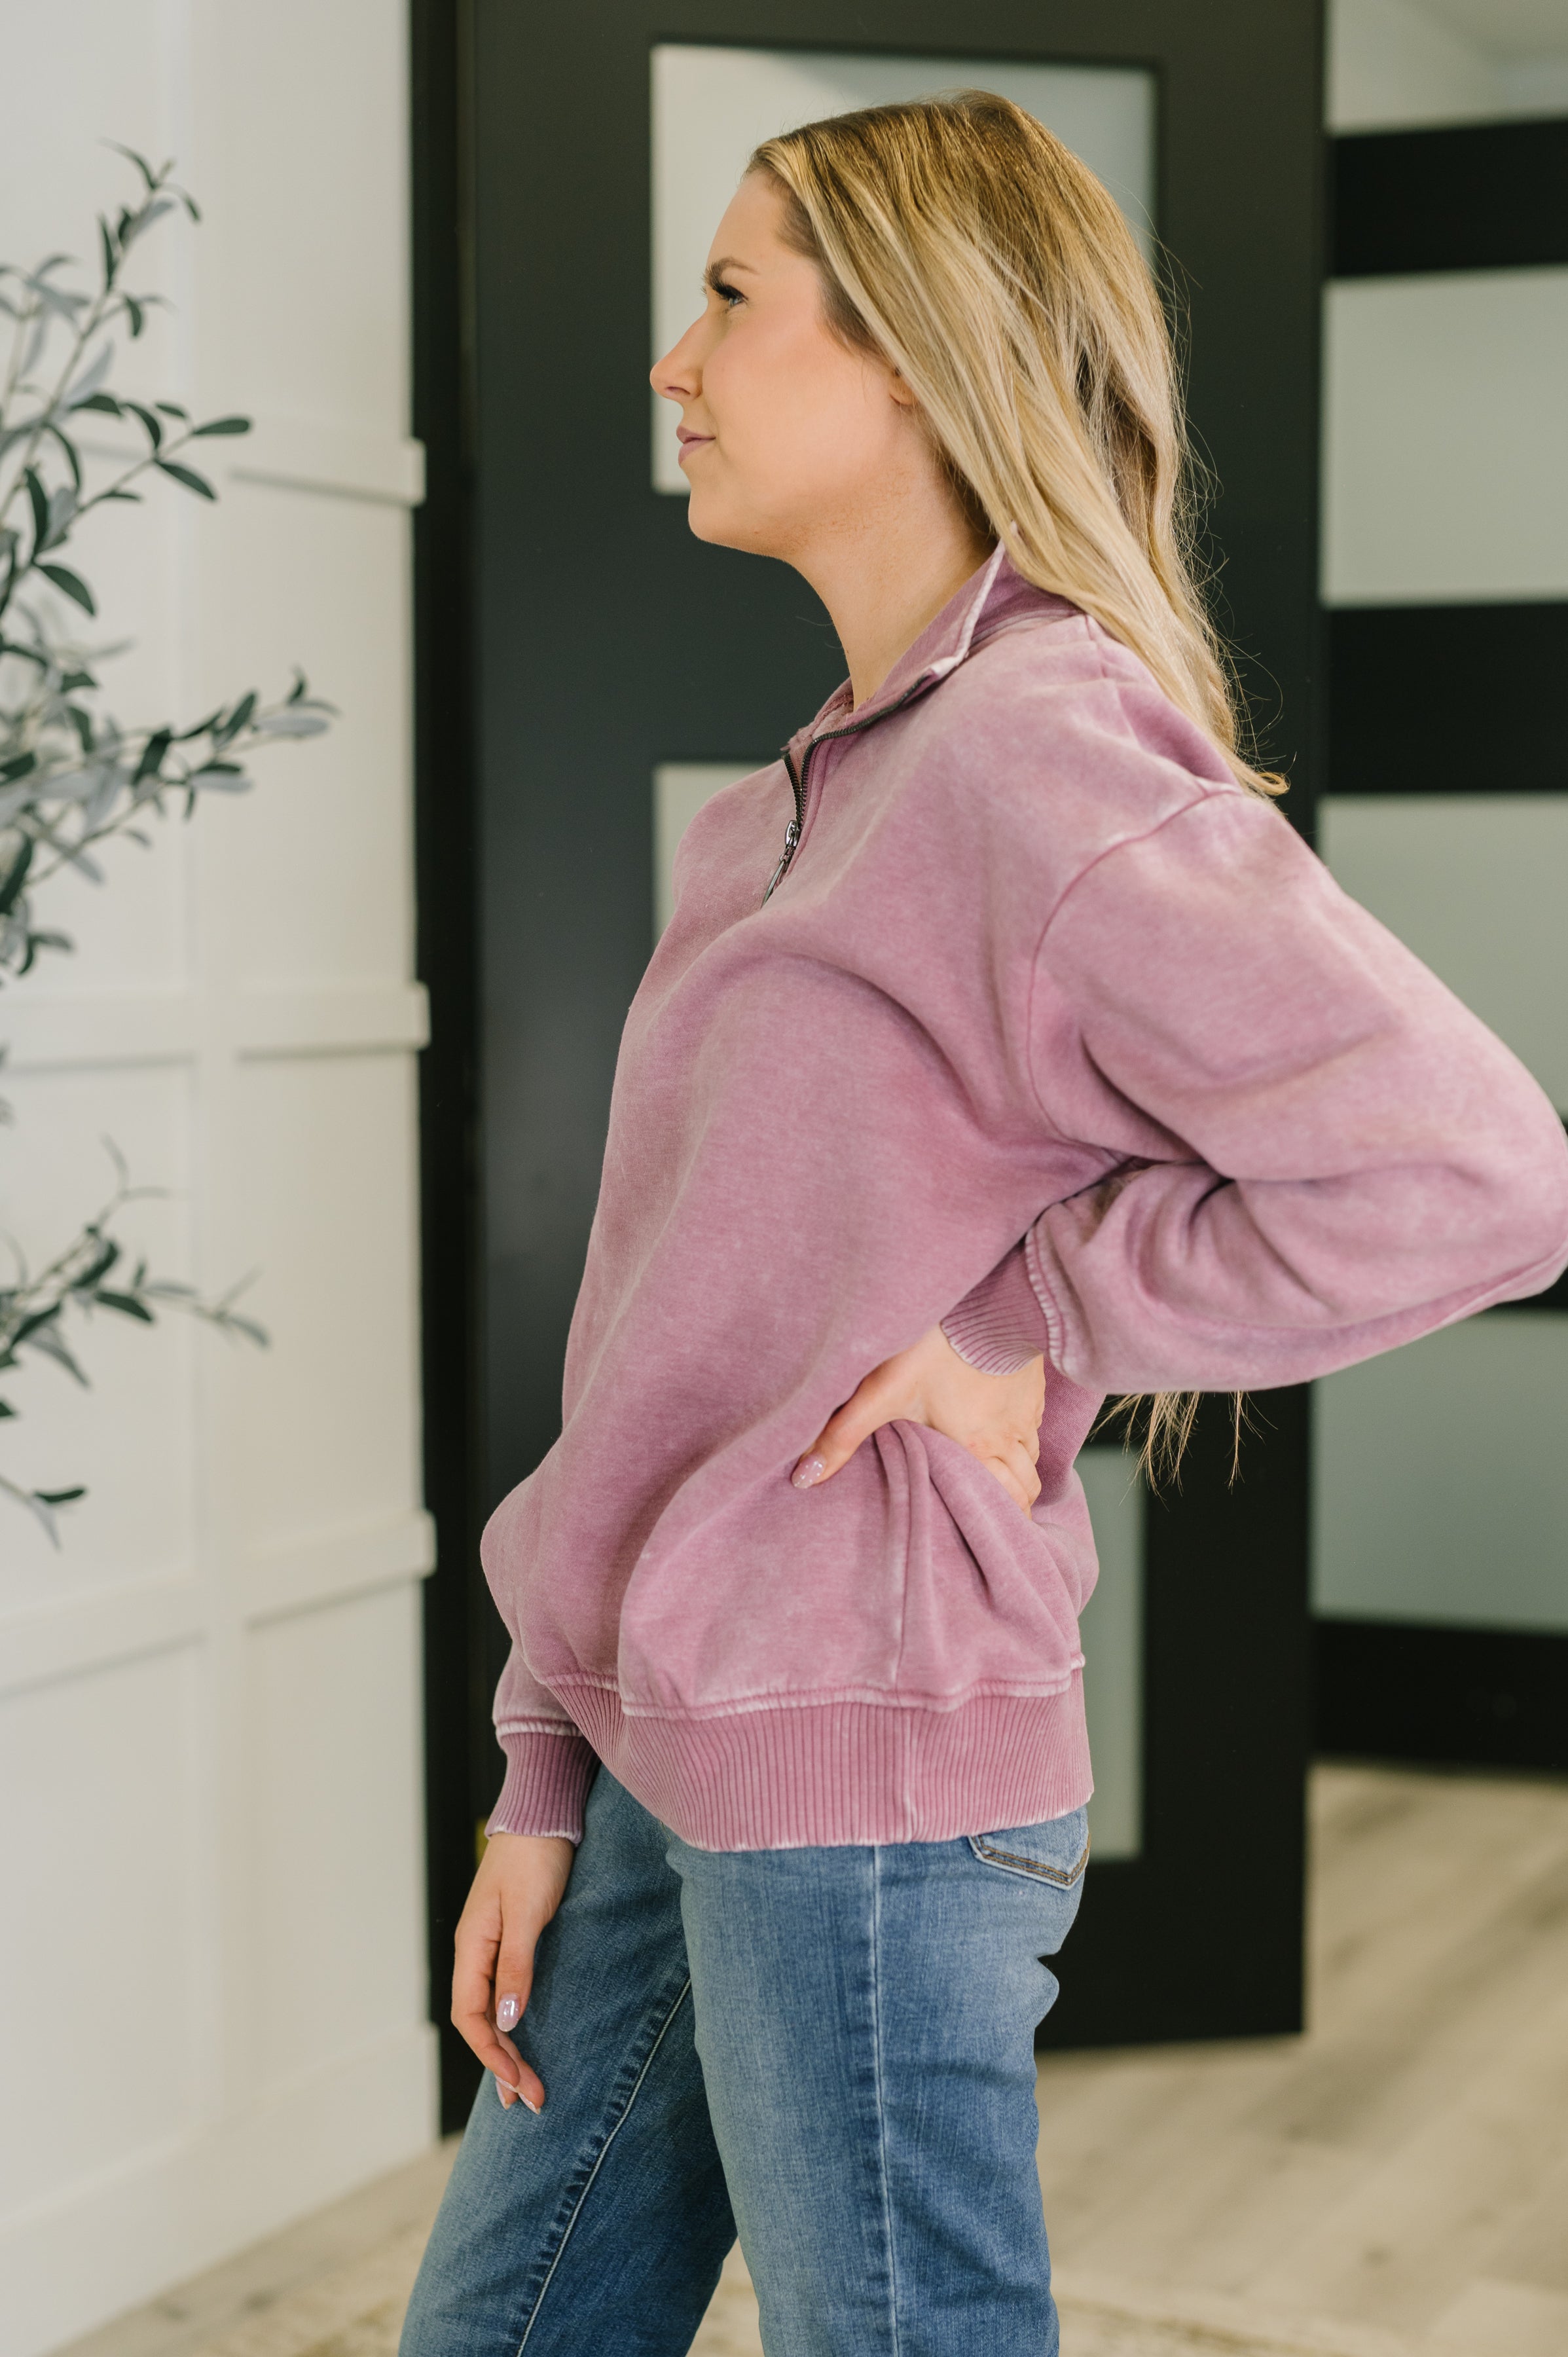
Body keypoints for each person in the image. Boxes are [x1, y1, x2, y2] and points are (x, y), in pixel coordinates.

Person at [399, 92, 1568, 2357]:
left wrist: (1032, 1321)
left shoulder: (1042, 756)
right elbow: (659, 1350)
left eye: (729, 297)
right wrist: (542, 1765)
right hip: (663, 1740)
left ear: (921, 356)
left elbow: (1478, 1172)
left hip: (863, 1787)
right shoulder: (783, 813)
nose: (672, 360)